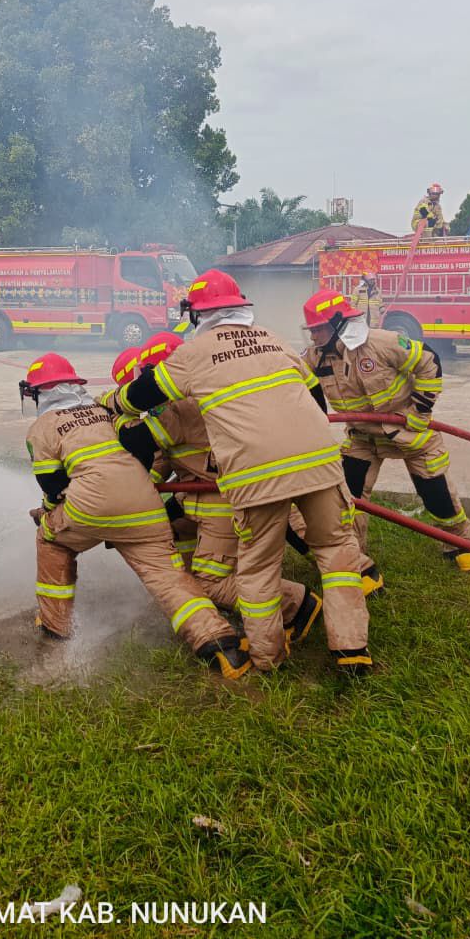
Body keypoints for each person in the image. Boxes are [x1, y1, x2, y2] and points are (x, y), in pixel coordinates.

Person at [111, 269, 371, 677]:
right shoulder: (274, 339)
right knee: (337, 553)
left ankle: (269, 657)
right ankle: (352, 651)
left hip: (257, 475)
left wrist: (113, 405)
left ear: (196, 315)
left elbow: (142, 394)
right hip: (320, 462)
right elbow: (315, 399)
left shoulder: (194, 353)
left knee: (258, 570)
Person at [22, 352, 251, 679]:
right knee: (168, 577)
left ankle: (55, 629)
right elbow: (140, 446)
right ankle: (221, 644)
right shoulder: (103, 411)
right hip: (143, 503)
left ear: (38, 392)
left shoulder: (42, 427)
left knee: (51, 540)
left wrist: (47, 512)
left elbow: (53, 485)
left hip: (89, 507)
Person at [118, 332, 321, 644]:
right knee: (178, 527)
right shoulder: (214, 392)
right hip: (246, 489)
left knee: (211, 582)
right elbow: (165, 462)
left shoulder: (176, 412)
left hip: (221, 503)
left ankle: (297, 604)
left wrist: (116, 416)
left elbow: (138, 444)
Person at [301, 288, 470, 573]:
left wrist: (420, 412)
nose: (313, 336)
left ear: (336, 324)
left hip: (409, 431)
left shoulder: (381, 342)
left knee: (435, 492)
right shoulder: (315, 357)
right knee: (348, 497)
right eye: (311, 330)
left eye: (317, 329)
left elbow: (429, 362)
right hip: (363, 437)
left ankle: (459, 542)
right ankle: (353, 555)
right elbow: (298, 380)